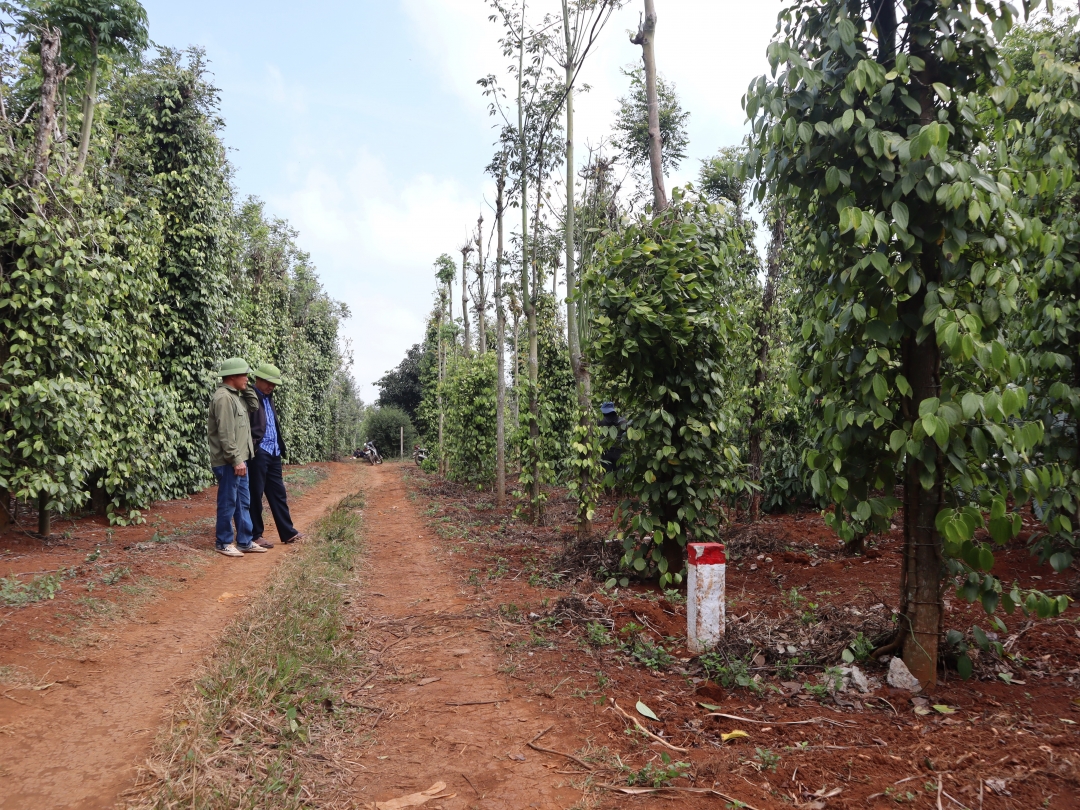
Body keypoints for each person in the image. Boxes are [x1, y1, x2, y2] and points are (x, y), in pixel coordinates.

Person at [207, 358, 266, 557]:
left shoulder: (236, 396)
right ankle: (223, 542)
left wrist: (245, 386)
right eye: (245, 375)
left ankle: (245, 541)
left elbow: (254, 405)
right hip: (229, 461)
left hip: (239, 460)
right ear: (232, 376)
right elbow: (225, 434)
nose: (248, 379)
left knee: (243, 501)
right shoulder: (223, 398)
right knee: (228, 501)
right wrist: (235, 460)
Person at [248, 363, 301, 548]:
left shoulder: (269, 397)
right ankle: (255, 535)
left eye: (274, 384)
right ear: (258, 379)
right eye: (269, 382)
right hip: (259, 451)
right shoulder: (249, 396)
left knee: (278, 493)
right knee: (255, 494)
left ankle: (288, 532)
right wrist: (253, 446)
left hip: (274, 451)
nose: (271, 387)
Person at [598, 401, 628, 473]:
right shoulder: (623, 421)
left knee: (607, 475)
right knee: (619, 475)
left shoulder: (600, 421)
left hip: (606, 453)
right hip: (619, 452)